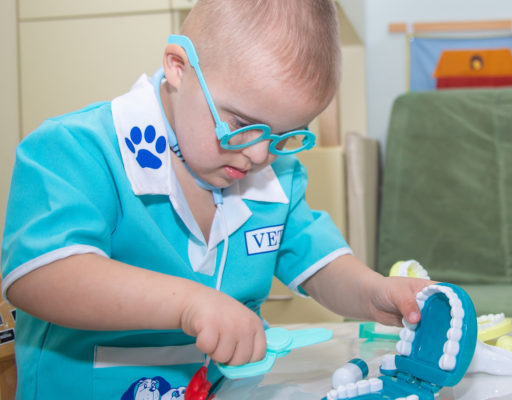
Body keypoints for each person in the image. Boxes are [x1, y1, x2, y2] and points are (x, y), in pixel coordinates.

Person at [1, 0, 432, 398]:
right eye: (242, 123)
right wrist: (190, 304)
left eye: (285, 135)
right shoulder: (75, 150)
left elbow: (321, 266)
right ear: (178, 68)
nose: (259, 154)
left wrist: (375, 292)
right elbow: (39, 278)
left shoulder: (277, 175)